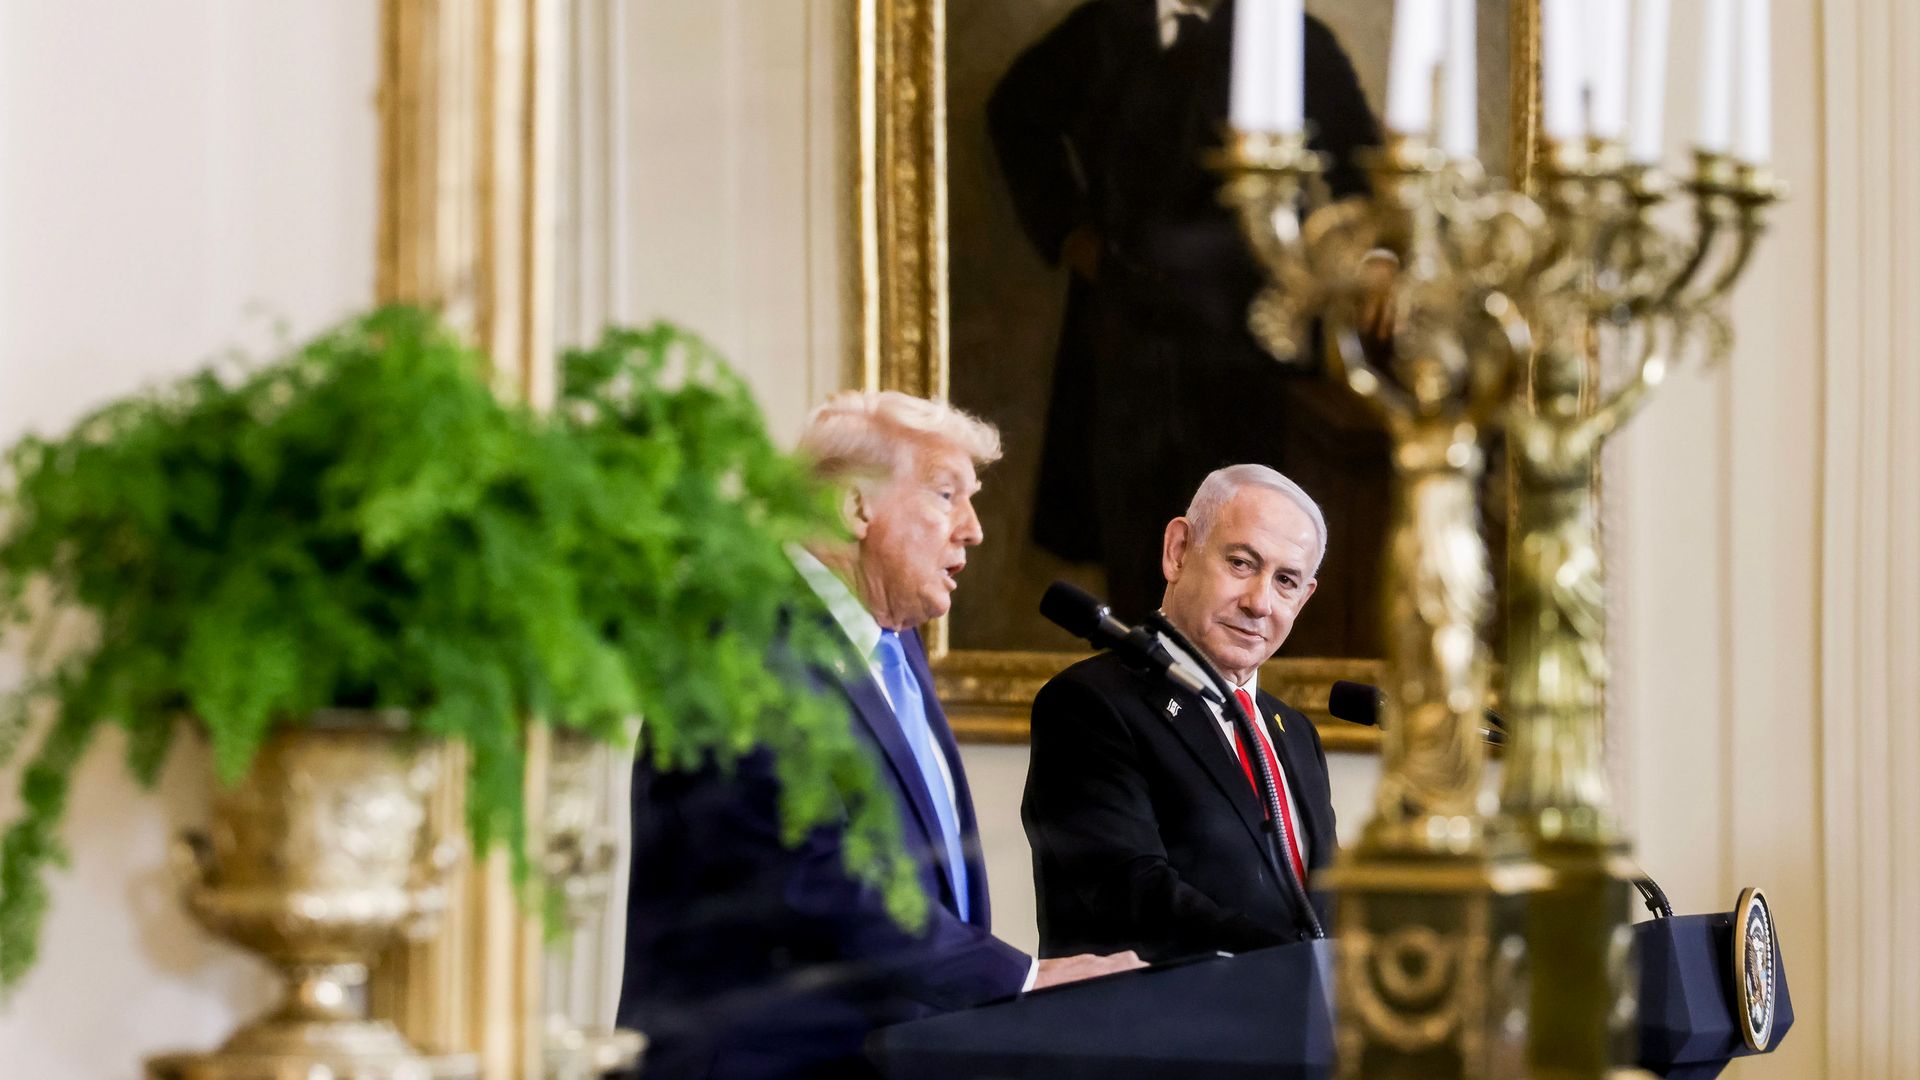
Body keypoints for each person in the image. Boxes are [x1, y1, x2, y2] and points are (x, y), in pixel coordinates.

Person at [616, 390, 1142, 1080]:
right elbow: (812, 883)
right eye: (947, 494)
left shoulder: (890, 641)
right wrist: (1022, 980)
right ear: (856, 507)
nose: (974, 529)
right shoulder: (738, 643)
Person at [987, 0, 1391, 652]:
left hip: (1252, 345)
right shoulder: (1104, 29)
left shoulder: (1288, 37)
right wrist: (1069, 232)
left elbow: (1362, 165)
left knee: (1252, 541)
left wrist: (1376, 259)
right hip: (1126, 337)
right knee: (1137, 543)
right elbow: (1015, 113)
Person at [1022, 463, 1338, 962]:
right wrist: (1296, 964)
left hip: (1289, 1031)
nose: (1260, 603)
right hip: (1151, 1031)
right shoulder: (1090, 702)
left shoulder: (1294, 733)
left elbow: (1318, 904)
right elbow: (1132, 892)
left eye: (1286, 581)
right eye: (1241, 563)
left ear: (1304, 598)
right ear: (1178, 551)